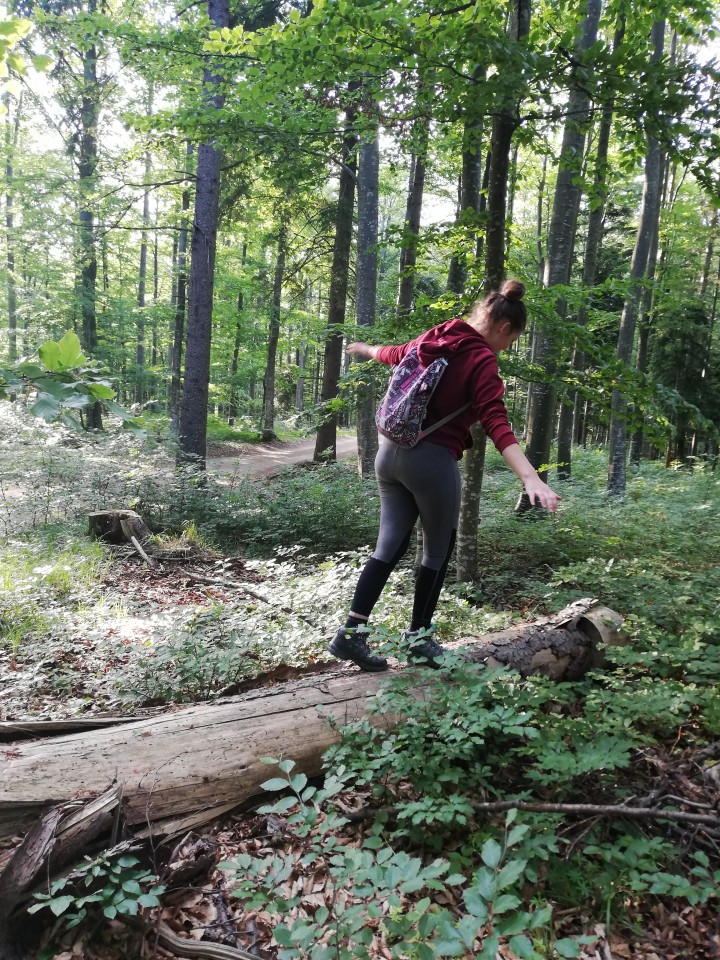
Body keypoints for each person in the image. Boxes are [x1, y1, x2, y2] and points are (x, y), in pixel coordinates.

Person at [328, 279, 560, 673]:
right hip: (431, 463)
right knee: (436, 551)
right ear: (504, 327)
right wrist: (529, 477)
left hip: (388, 456)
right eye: (513, 339)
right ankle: (419, 638)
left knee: (387, 548)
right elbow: (495, 420)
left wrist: (365, 349)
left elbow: (395, 354)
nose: (508, 347)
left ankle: (350, 634)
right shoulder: (482, 359)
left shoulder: (438, 336)